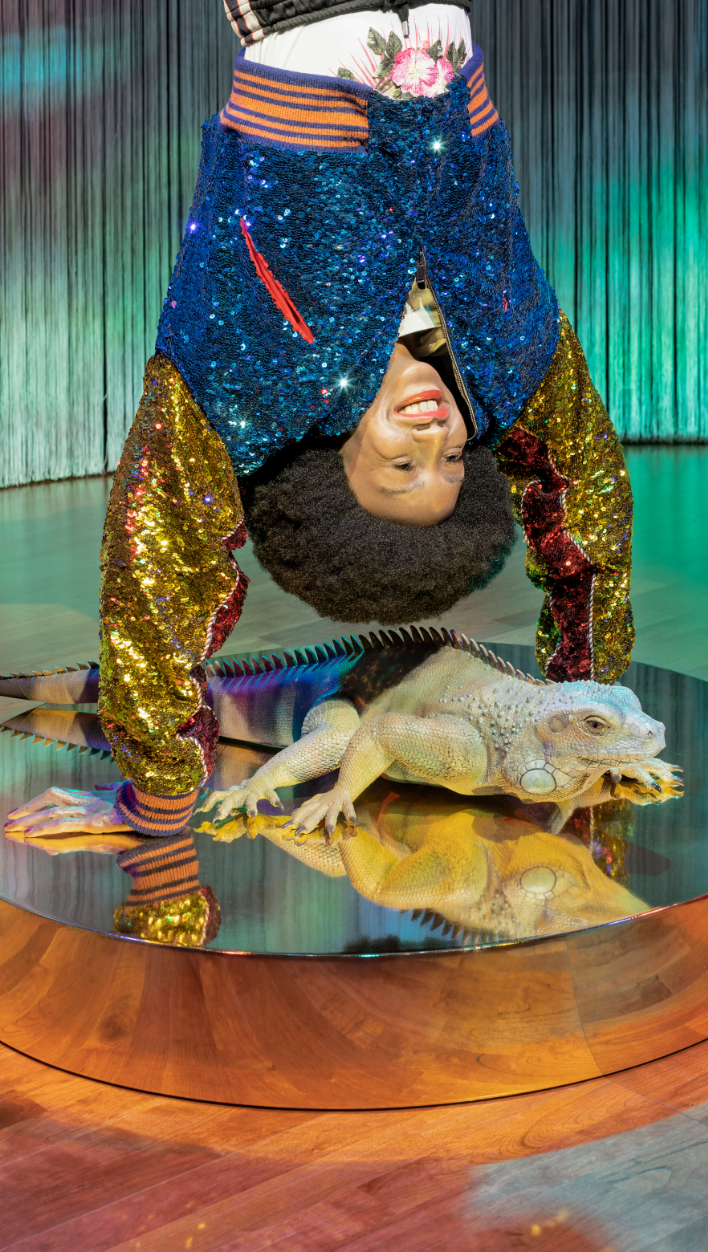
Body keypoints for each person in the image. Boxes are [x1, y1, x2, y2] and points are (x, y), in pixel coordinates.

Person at [5, 3, 634, 938]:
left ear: (332, 464)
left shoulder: (241, 387)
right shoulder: (507, 360)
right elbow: (591, 527)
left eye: (399, 466)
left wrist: (156, 801)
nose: (433, 429)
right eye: (449, 462)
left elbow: (155, 583)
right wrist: (586, 701)